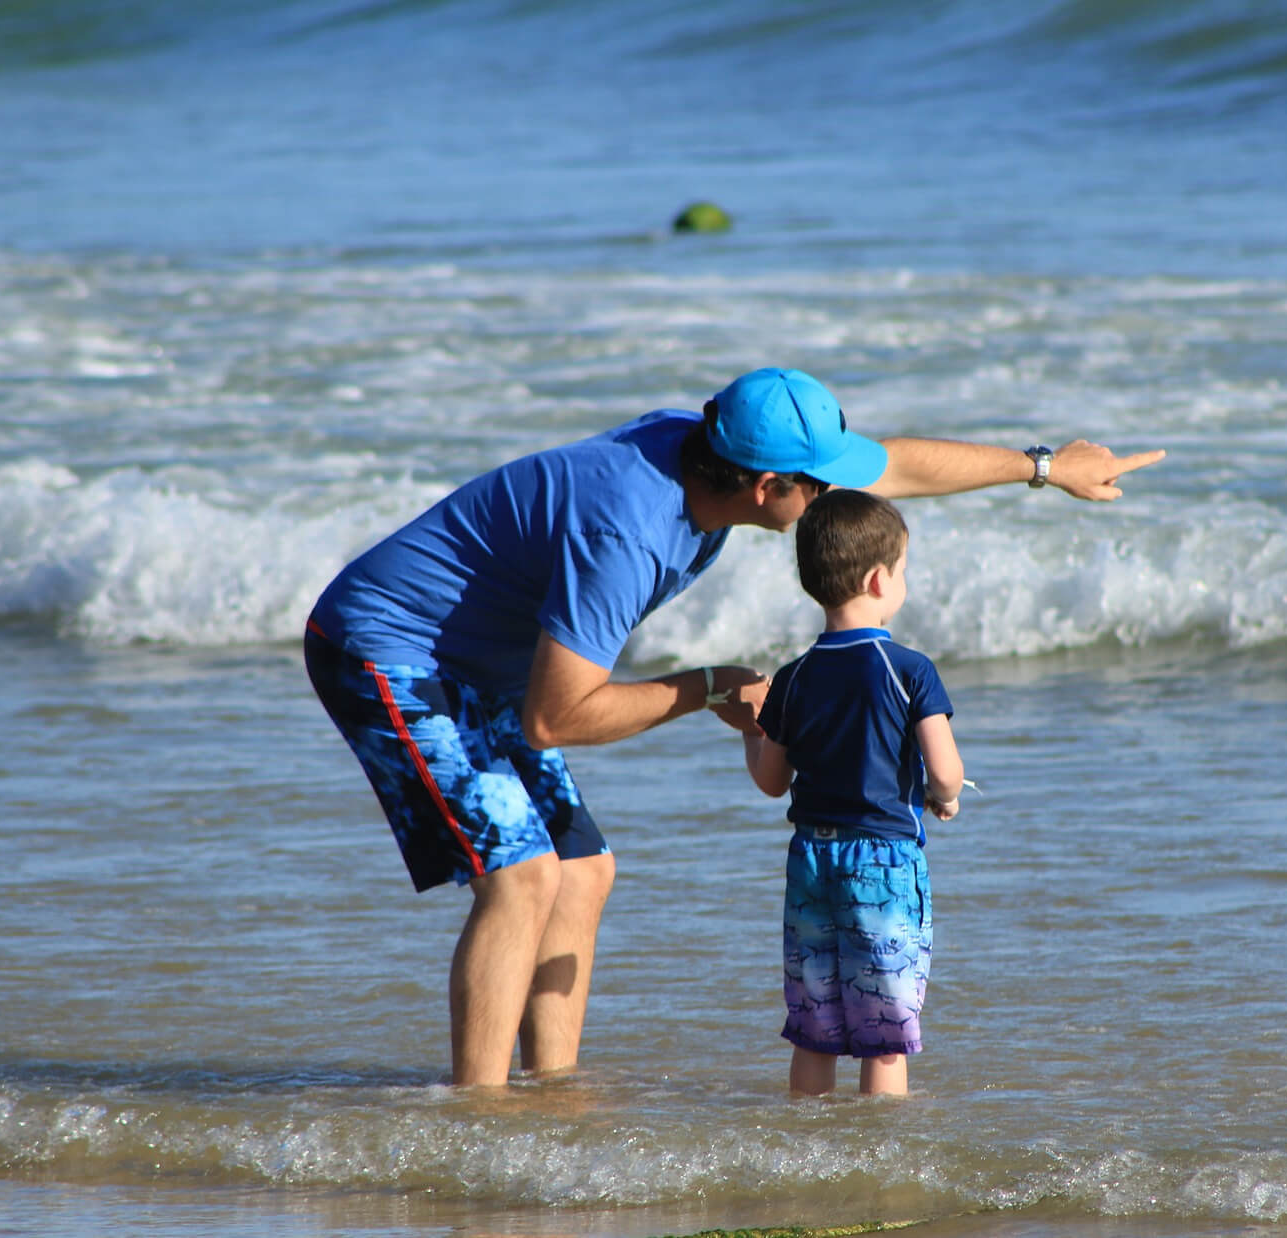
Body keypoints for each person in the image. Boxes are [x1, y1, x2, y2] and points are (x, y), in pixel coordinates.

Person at [304, 365, 1163, 1087]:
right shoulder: (628, 531)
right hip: (385, 650)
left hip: (483, 659)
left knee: (585, 870)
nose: (834, 495)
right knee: (522, 877)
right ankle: (481, 1118)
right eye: (817, 484)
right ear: (765, 487)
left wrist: (1042, 468)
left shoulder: (710, 446)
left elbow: (895, 465)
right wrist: (708, 687)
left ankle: (550, 1098)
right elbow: (556, 717)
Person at [743, 489, 961, 1096]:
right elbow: (944, 773)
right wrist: (945, 797)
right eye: (903, 573)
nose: (904, 584)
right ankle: (876, 1172)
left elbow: (770, 780)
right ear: (876, 580)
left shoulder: (795, 675)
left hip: (812, 859)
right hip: (882, 864)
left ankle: (807, 1153)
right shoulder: (909, 668)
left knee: (816, 1029)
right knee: (883, 1036)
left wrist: (748, 728)